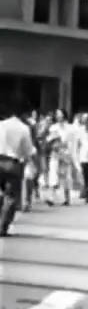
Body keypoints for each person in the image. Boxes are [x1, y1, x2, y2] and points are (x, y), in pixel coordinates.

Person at [0, 101, 36, 236]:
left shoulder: (2, 124)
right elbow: (28, 150)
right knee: (10, 196)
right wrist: (29, 160)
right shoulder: (24, 128)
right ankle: (3, 226)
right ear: (24, 114)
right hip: (13, 163)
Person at [46, 109, 73, 206]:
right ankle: (51, 198)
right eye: (57, 114)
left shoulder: (69, 128)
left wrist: (70, 154)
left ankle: (67, 198)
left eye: (60, 114)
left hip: (65, 153)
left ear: (64, 115)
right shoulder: (53, 127)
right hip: (55, 153)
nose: (58, 116)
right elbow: (49, 140)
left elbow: (71, 142)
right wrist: (53, 143)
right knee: (53, 174)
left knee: (66, 176)